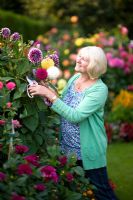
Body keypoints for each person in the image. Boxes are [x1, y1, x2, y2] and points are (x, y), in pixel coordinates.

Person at [28, 46, 118, 200]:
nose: (78, 59)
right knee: (74, 189)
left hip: (87, 151)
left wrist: (49, 94)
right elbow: (64, 103)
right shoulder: (75, 78)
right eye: (79, 56)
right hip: (68, 148)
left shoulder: (99, 89)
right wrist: (46, 89)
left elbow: (75, 116)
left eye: (84, 59)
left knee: (102, 192)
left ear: (94, 65)